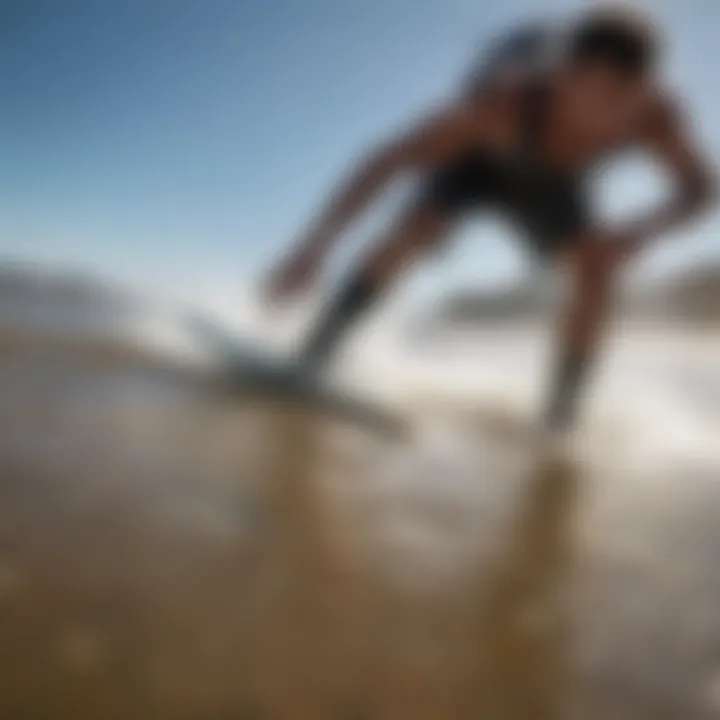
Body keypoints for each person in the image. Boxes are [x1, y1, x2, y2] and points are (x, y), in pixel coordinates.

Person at [262, 7, 716, 431]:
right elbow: (387, 160)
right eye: (591, 97)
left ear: (643, 90)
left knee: (596, 271)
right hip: (476, 167)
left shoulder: (656, 119)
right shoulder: (505, 101)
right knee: (417, 228)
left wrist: (641, 231)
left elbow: (700, 190)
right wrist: (312, 249)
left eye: (620, 102)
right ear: (563, 77)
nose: (599, 121)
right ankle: (312, 359)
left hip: (554, 186)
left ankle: (559, 424)